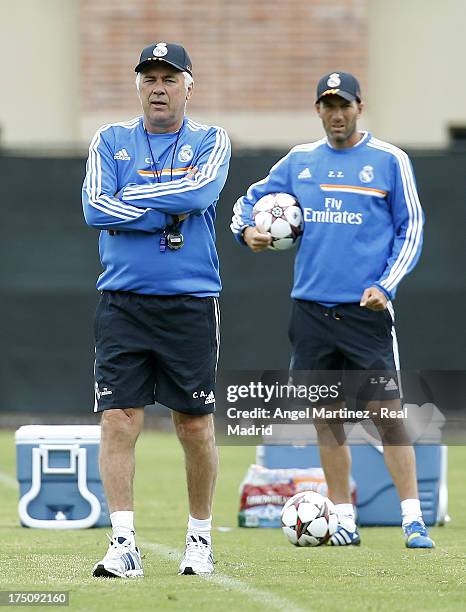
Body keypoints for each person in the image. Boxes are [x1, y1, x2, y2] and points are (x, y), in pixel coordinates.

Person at [231, 72, 434, 549]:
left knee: (388, 414)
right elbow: (246, 203)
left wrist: (386, 284)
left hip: (366, 312)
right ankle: (343, 518)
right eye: (328, 105)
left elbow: (413, 227)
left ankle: (412, 519)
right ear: (318, 110)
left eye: (344, 105)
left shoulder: (389, 160)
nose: (336, 113)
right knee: (326, 418)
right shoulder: (300, 162)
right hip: (312, 313)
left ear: (360, 106)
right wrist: (248, 233)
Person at [82, 41, 231, 578]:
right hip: (122, 300)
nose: (158, 87)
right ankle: (123, 544)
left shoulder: (211, 139)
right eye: (149, 78)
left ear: (189, 85)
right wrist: (161, 214)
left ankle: (199, 539)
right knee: (118, 419)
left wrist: (135, 207)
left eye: (170, 77)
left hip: (190, 301)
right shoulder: (110, 140)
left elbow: (201, 193)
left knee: (194, 425)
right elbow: (95, 207)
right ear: (137, 84)